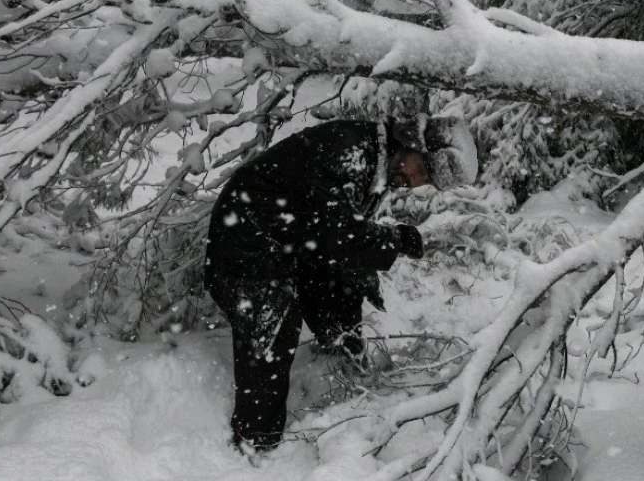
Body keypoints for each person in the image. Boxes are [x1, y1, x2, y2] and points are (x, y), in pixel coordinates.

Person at [203, 116, 477, 453]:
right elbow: (340, 237)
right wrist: (397, 239)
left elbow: (338, 238)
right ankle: (254, 443)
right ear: (410, 144)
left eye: (425, 181)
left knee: (343, 280)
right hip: (244, 244)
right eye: (421, 168)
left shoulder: (377, 159)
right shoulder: (350, 152)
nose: (415, 181)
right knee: (275, 329)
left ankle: (341, 359)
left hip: (286, 241)